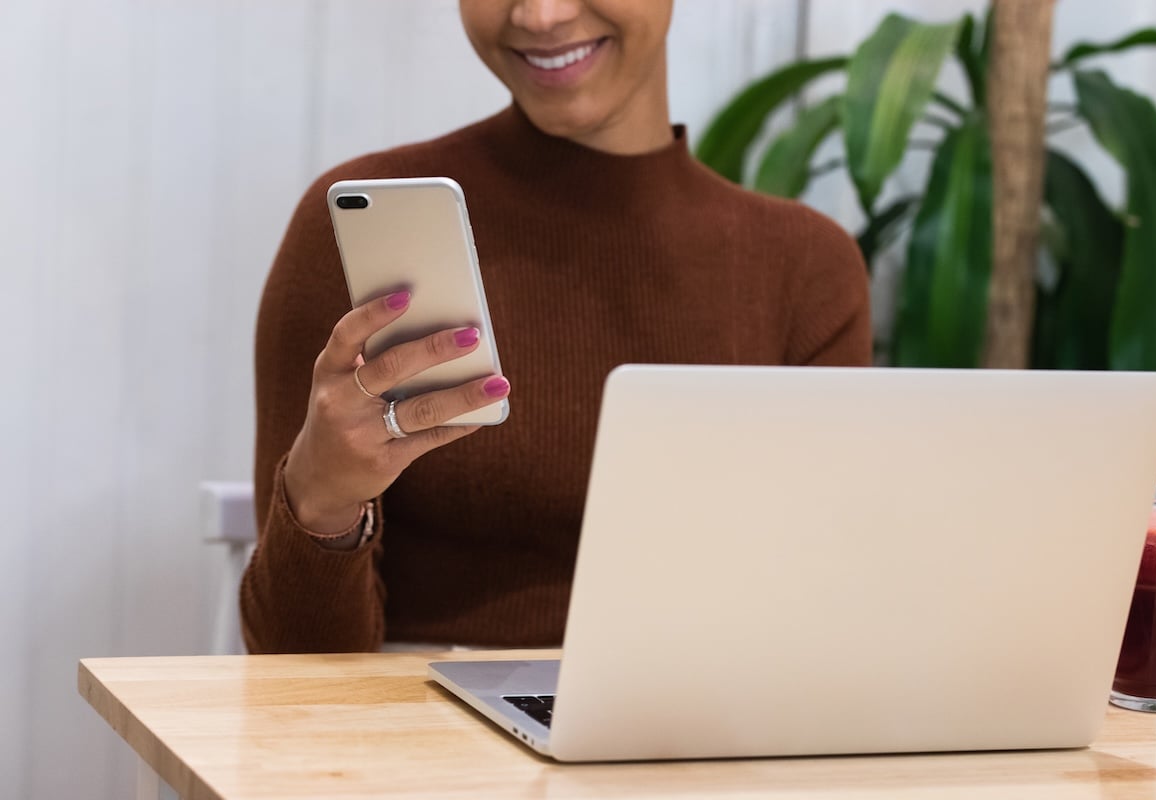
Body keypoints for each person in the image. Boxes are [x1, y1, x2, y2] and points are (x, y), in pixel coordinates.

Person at [240, 0, 872, 654]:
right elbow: (294, 674)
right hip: (413, 714)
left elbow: (825, 621)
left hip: (699, 712)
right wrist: (322, 504)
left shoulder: (802, 266)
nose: (541, 16)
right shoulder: (361, 232)